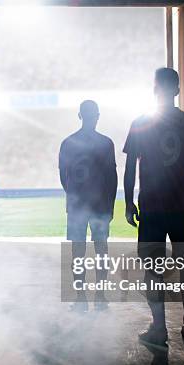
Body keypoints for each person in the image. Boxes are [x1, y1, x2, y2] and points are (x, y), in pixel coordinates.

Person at [123, 67, 184, 346]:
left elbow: (129, 168)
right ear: (176, 90)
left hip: (151, 208)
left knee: (152, 268)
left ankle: (159, 328)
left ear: (154, 90)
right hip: (182, 208)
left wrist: (128, 202)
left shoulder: (140, 123)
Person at [59, 100, 118, 312]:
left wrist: (76, 195)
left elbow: (63, 177)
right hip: (100, 205)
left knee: (78, 252)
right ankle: (100, 296)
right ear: (98, 116)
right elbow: (112, 177)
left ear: (79, 115)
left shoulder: (68, 143)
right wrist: (109, 205)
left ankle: (81, 298)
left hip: (77, 205)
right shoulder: (106, 143)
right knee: (101, 251)